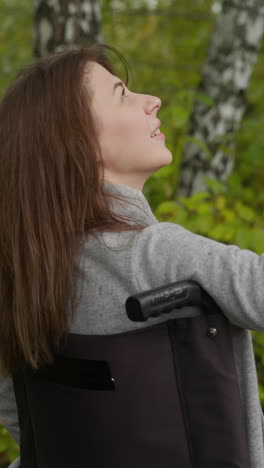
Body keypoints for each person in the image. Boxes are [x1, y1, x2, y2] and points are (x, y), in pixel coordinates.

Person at [0, 43, 263, 468]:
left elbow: (25, 427)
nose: (152, 101)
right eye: (122, 94)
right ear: (76, 141)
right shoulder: (155, 255)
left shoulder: (21, 277)